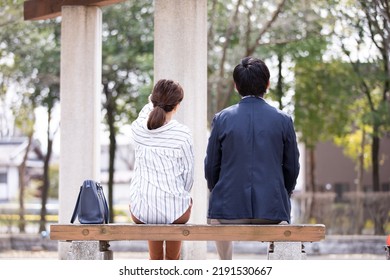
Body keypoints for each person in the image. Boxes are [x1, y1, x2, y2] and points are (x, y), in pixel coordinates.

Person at [204, 56, 300, 260]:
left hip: (227, 210)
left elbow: (211, 166)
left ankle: (226, 267)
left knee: (216, 221)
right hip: (272, 211)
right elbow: (292, 168)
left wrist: (218, 190)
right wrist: (284, 192)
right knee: (283, 224)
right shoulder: (284, 120)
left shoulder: (222, 119)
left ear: (236, 86)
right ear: (267, 84)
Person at [129, 79, 194, 260]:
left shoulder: (138, 129)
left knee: (151, 208)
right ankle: (171, 263)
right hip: (176, 212)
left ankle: (155, 262)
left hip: (141, 212)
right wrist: (180, 195)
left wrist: (152, 100)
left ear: (153, 100)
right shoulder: (183, 134)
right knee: (177, 204)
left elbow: (145, 114)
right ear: (177, 105)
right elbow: (189, 177)